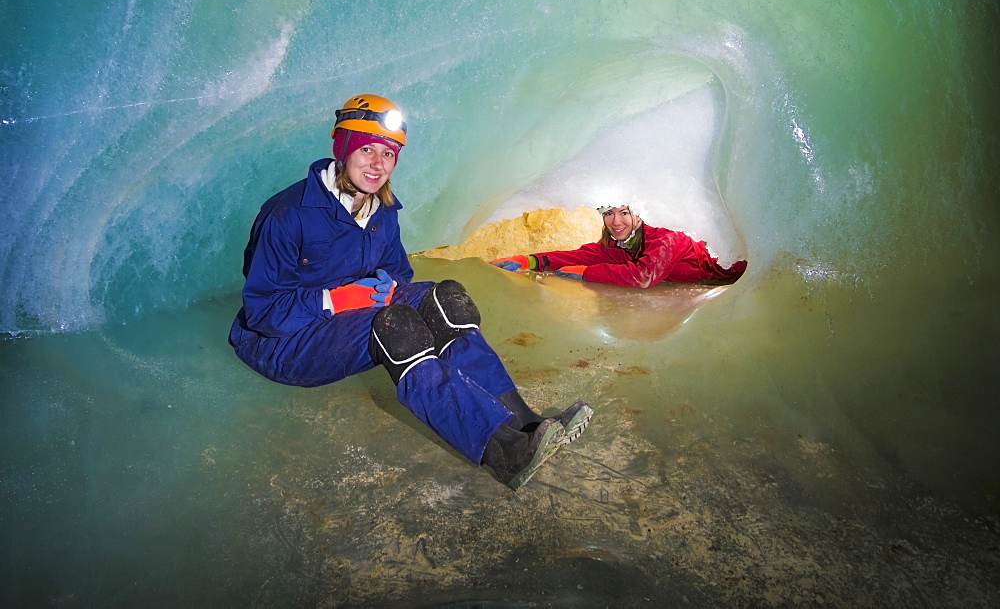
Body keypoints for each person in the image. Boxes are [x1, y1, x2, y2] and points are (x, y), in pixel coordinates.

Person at [229, 94, 592, 490]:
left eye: (388, 154)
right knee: (396, 326)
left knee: (445, 300)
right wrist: (336, 299)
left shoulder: (380, 211)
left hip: (335, 324)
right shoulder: (288, 214)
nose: (377, 163)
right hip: (282, 344)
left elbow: (400, 272)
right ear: (343, 148)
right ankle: (501, 451)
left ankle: (525, 424)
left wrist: (387, 283)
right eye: (366, 149)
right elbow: (263, 311)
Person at [491, 204, 746, 287]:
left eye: (624, 212)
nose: (616, 221)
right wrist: (531, 261)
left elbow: (644, 276)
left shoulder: (668, 235)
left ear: (640, 212)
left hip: (738, 272)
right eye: (608, 213)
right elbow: (582, 254)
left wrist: (588, 274)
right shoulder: (618, 244)